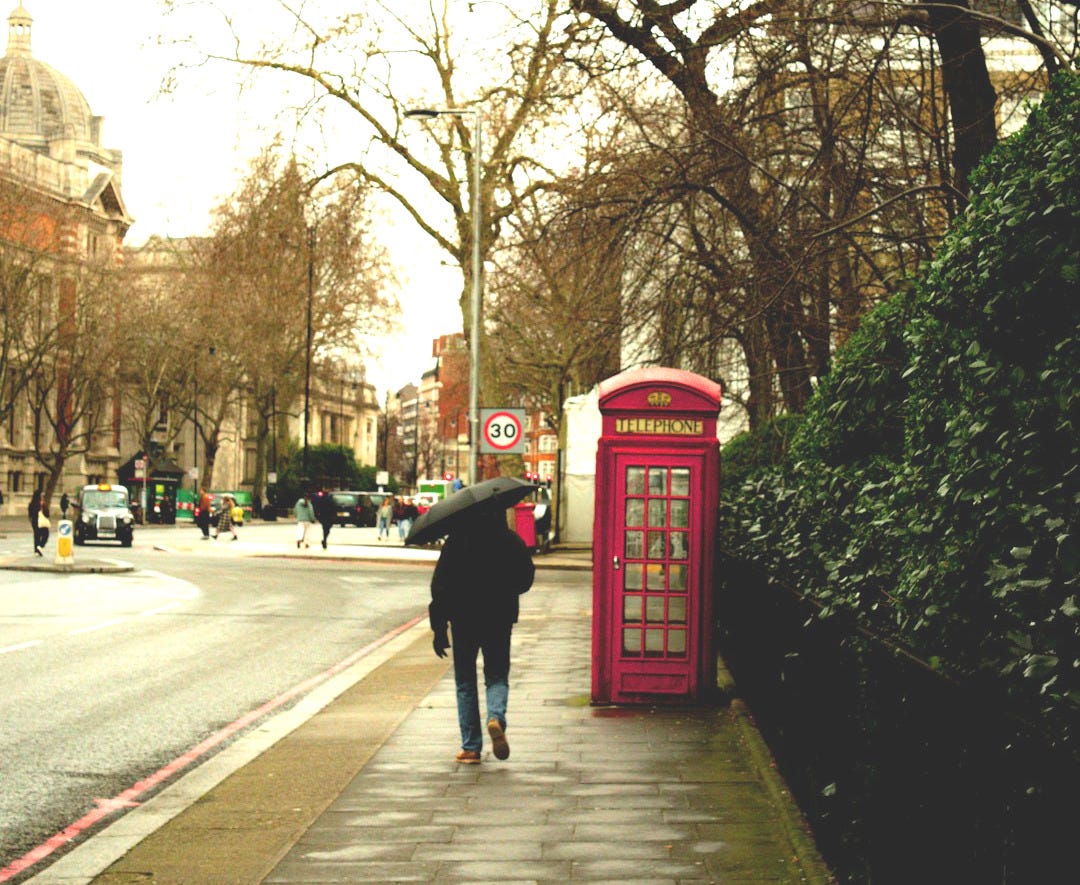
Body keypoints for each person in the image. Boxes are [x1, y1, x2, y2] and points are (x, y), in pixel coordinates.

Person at [429, 507, 535, 764]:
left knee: (465, 681)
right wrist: (504, 588)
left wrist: (439, 627)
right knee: (497, 676)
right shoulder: (511, 541)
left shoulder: (457, 541)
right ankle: (495, 717)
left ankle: (471, 748)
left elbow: (440, 586)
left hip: (464, 619)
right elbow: (525, 580)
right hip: (499, 618)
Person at [28, 490, 50, 556]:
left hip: (35, 521)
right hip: (39, 521)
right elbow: (47, 513)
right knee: (45, 534)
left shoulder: (32, 504)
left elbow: (30, 514)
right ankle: (39, 547)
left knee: (37, 535)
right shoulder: (40, 504)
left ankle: (37, 549)